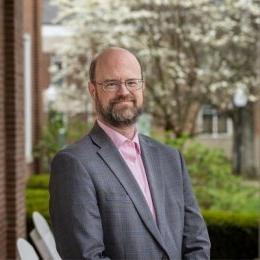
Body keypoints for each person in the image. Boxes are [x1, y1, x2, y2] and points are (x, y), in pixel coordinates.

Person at [49, 47, 210, 260]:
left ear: (142, 87)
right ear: (92, 90)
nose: (124, 91)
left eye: (132, 82)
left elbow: (196, 241)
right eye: (111, 84)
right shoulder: (73, 164)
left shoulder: (171, 158)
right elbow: (85, 256)